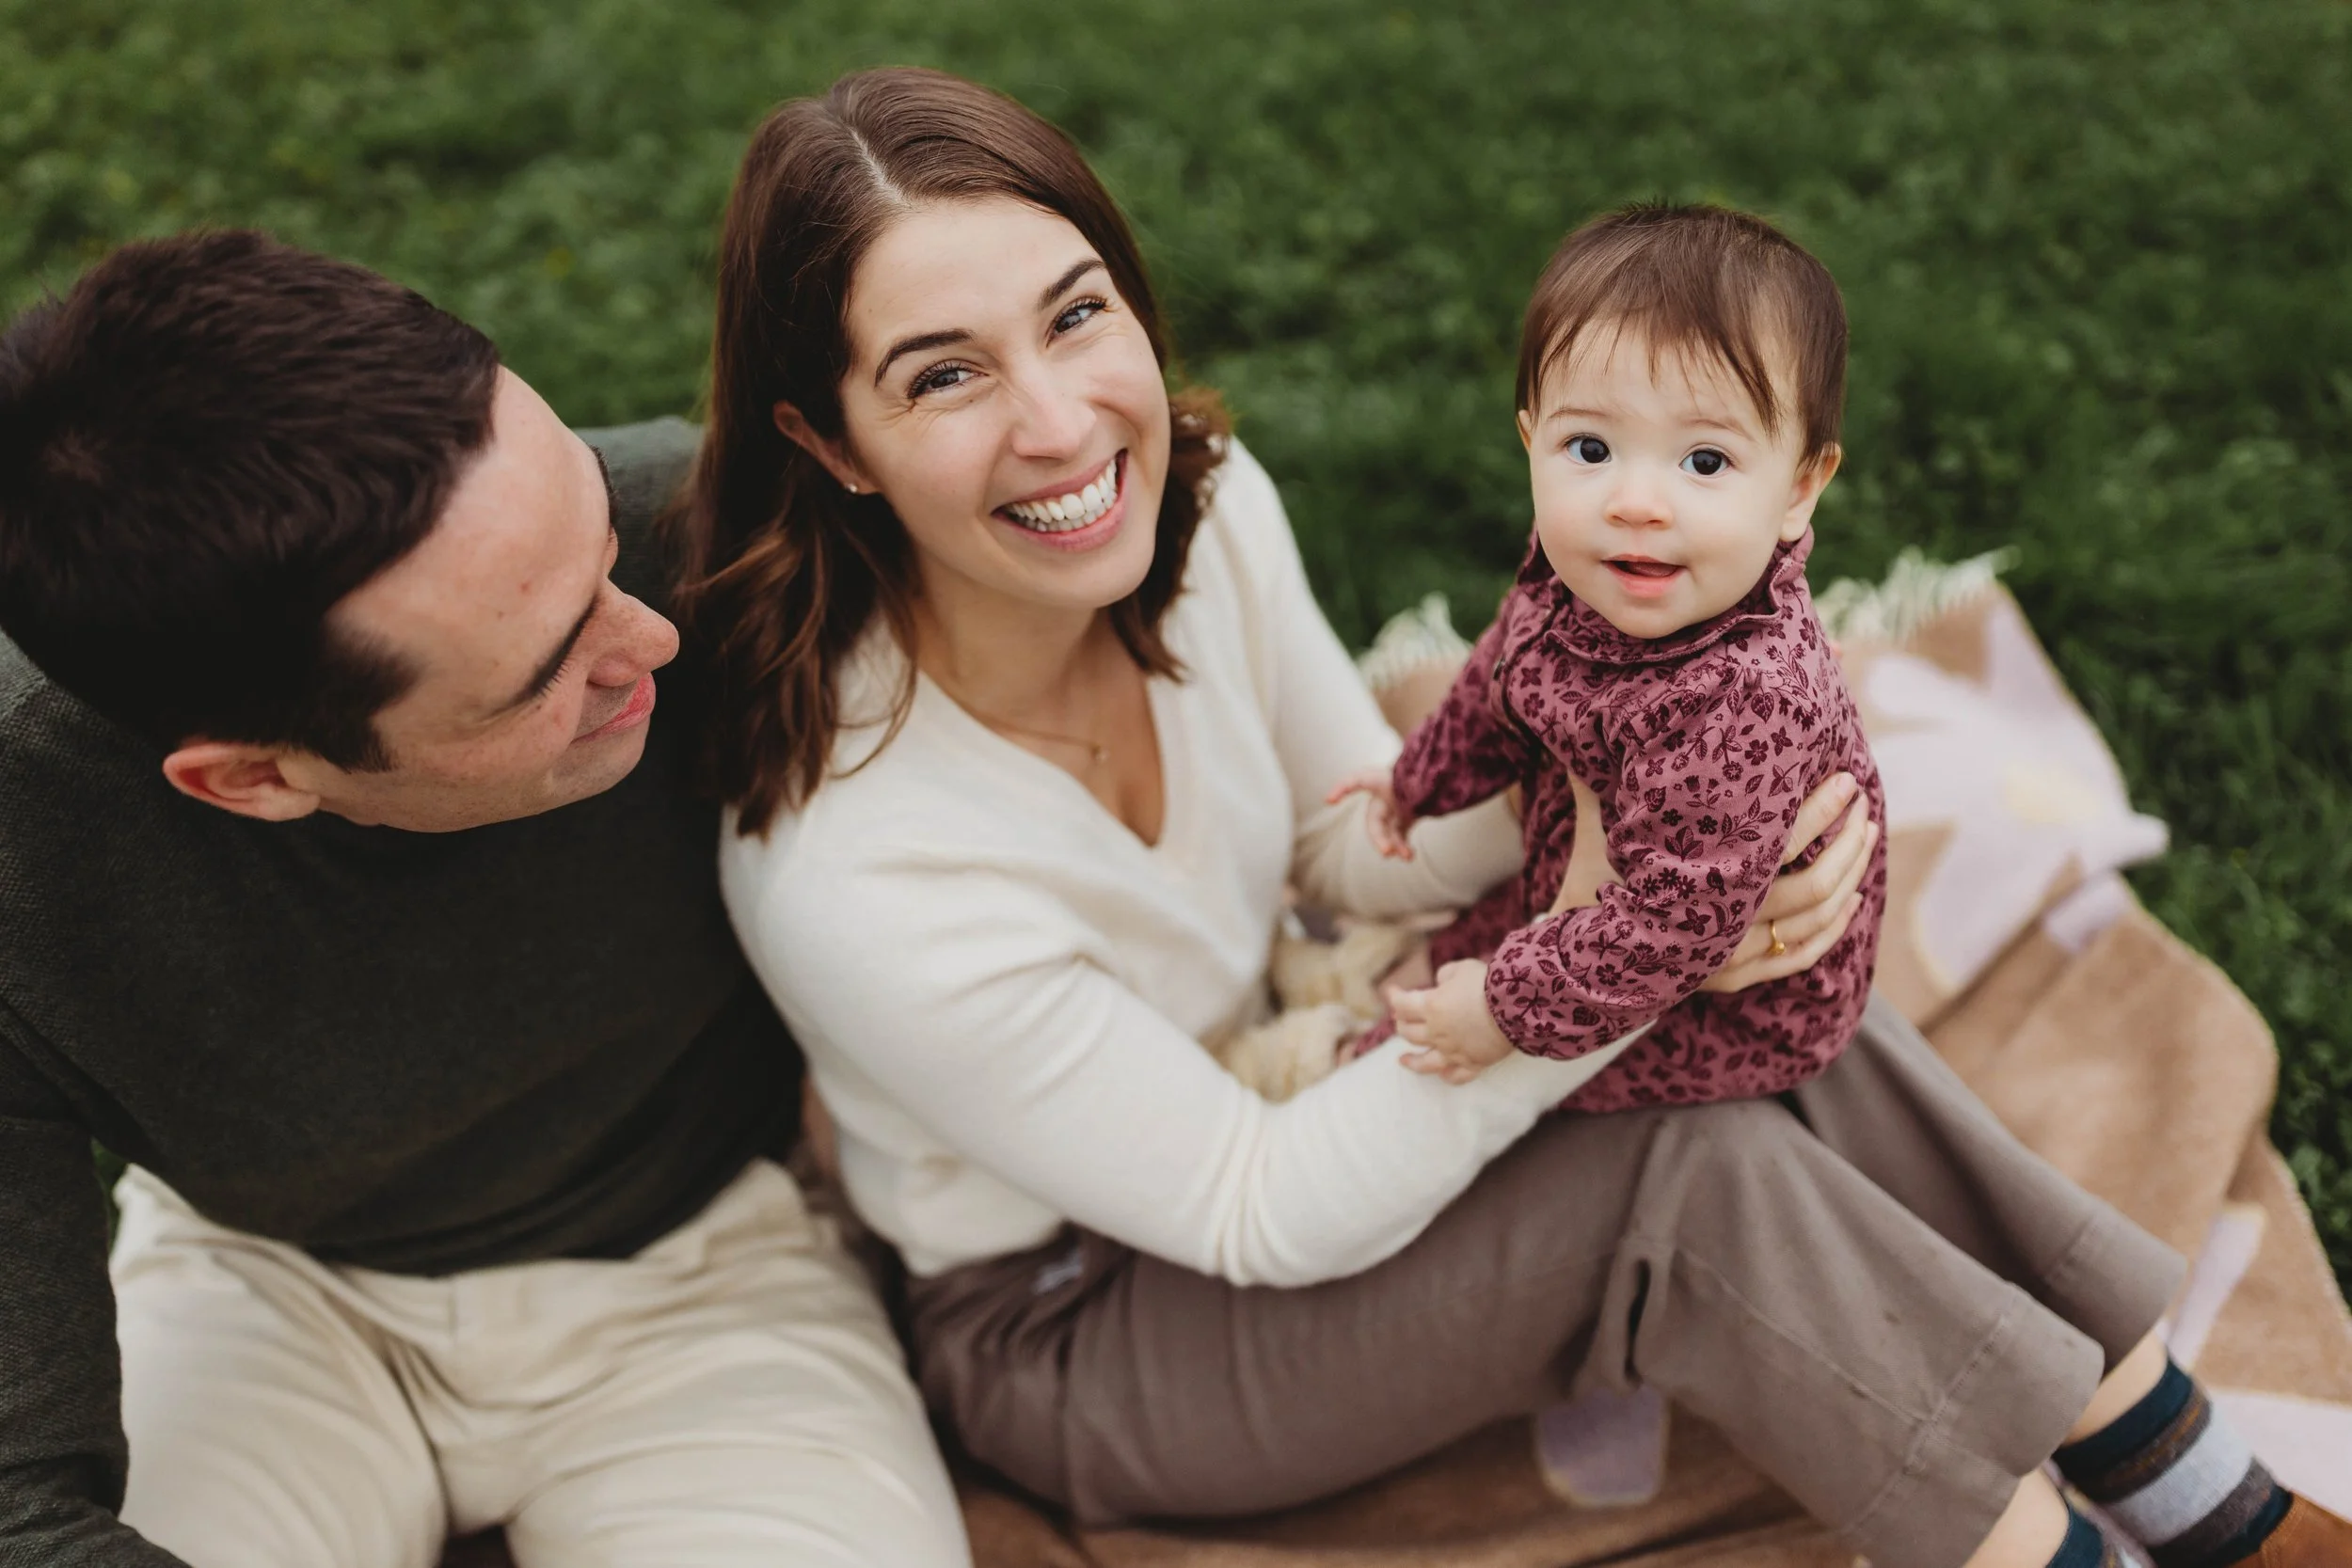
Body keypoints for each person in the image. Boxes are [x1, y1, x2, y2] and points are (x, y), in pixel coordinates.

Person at [690, 67, 2347, 1568]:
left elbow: (1391, 836)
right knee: (1680, 1173)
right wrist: (1619, 963)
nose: (1059, 424)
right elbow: (1254, 1212)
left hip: (1298, 1038)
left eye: (1075, 316)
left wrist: (1701, 866)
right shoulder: (850, 863)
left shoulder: (1196, 505)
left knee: (1778, 1027)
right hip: (1092, 1322)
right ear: (828, 437)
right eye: (945, 376)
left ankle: (2196, 1483)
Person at [0, 234, 967, 1568]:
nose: (652, 638)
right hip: (268, 1290)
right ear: (252, 778)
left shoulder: (716, 528)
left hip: (707, 1266)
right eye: (542, 673)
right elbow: (20, 1509)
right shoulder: (15, 858)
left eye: (598, 533)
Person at [1341, 202, 1890, 1100]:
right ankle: (1401, 988)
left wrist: (1501, 1013)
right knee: (1454, 955)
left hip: (1726, 1000)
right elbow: (1500, 675)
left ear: (1799, 488)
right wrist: (1418, 779)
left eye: (1704, 462)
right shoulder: (1579, 576)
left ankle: (1359, 1069)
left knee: (1454, 1068)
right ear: (1532, 442)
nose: (1635, 501)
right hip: (1600, 867)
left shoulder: (1743, 698)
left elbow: (1670, 931)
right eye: (1589, 447)